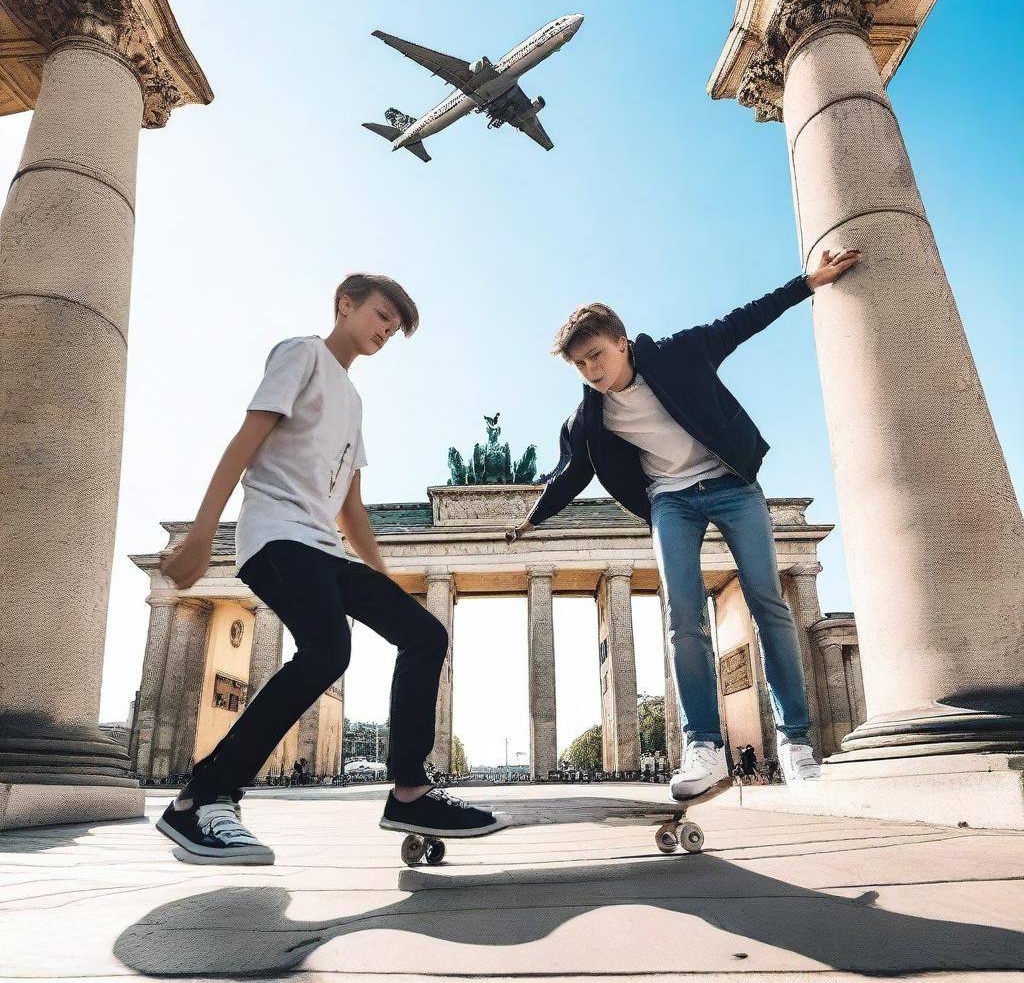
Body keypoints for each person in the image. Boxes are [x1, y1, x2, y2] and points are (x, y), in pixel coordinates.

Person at [155, 273, 501, 865]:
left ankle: (410, 791)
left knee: (423, 633)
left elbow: (352, 508)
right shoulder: (302, 354)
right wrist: (202, 534)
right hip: (276, 538)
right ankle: (201, 798)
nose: (386, 331)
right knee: (327, 651)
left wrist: (383, 582)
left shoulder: (356, 402)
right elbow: (244, 443)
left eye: (394, 327)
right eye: (381, 316)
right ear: (345, 305)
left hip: (326, 547)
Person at [507, 249, 862, 801]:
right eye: (579, 365)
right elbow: (571, 472)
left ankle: (795, 743)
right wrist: (532, 518)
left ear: (621, 342)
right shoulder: (590, 416)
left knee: (769, 603)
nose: (591, 371)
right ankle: (703, 745)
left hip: (732, 486)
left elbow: (743, 320)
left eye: (596, 356)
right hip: (671, 501)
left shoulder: (681, 353)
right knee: (683, 618)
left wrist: (808, 282)